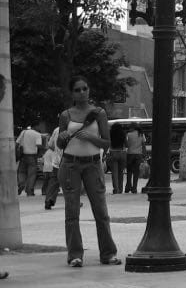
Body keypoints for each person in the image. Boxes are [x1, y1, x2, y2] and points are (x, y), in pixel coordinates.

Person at [56, 75, 120, 268]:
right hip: (70, 165)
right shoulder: (66, 115)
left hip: (93, 164)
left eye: (85, 88)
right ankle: (75, 255)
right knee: (72, 211)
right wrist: (63, 135)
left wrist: (91, 138)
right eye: (77, 90)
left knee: (101, 211)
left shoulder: (98, 113)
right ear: (71, 93)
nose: (82, 92)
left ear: (89, 90)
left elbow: (108, 143)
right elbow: (59, 143)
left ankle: (108, 253)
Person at [15, 121, 43, 196]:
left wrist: (16, 154)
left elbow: (17, 143)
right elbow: (39, 145)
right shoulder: (37, 134)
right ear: (36, 126)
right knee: (32, 174)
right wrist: (41, 152)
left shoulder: (24, 132)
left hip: (23, 156)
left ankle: (21, 184)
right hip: (32, 156)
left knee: (21, 172)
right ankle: (29, 190)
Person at [42, 132, 62, 210]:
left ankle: (49, 199)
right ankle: (75, 202)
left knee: (54, 181)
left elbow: (50, 145)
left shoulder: (56, 130)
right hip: (69, 160)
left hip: (57, 160)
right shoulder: (76, 127)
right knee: (72, 181)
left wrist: (57, 150)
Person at [124, 123, 145, 194]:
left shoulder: (128, 134)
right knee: (136, 173)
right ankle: (134, 189)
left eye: (130, 127)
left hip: (130, 154)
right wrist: (144, 155)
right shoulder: (141, 134)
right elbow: (143, 145)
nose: (129, 128)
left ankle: (128, 187)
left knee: (129, 171)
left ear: (133, 128)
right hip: (138, 155)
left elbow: (126, 145)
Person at [107, 122, 126, 194]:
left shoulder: (110, 133)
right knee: (121, 172)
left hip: (113, 152)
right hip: (122, 152)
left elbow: (108, 143)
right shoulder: (123, 134)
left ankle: (116, 189)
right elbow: (126, 144)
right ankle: (121, 189)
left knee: (114, 173)